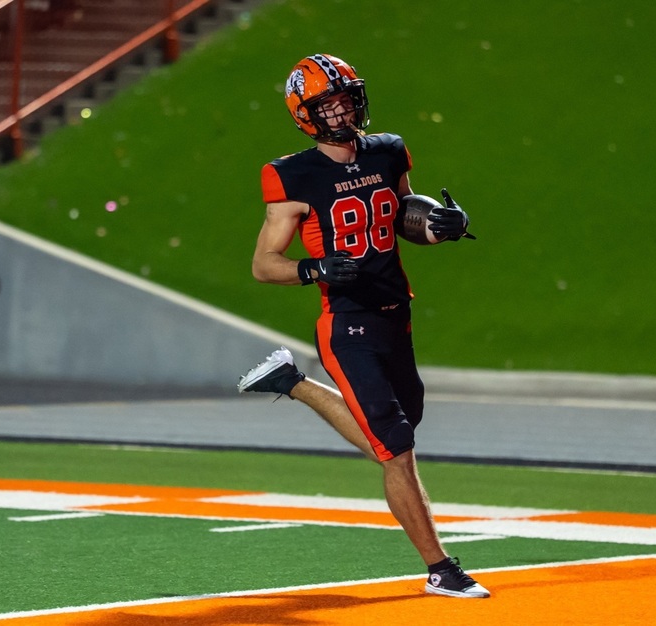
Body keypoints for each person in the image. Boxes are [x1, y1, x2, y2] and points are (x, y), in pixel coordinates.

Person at [237, 53, 488, 599]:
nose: (340, 109)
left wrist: (446, 226)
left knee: (394, 434)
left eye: (346, 97)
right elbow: (263, 264)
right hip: (346, 321)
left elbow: (402, 215)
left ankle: (292, 383)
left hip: (397, 311)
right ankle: (441, 568)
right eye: (326, 103)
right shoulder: (290, 173)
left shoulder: (388, 150)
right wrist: (314, 268)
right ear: (304, 113)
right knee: (395, 447)